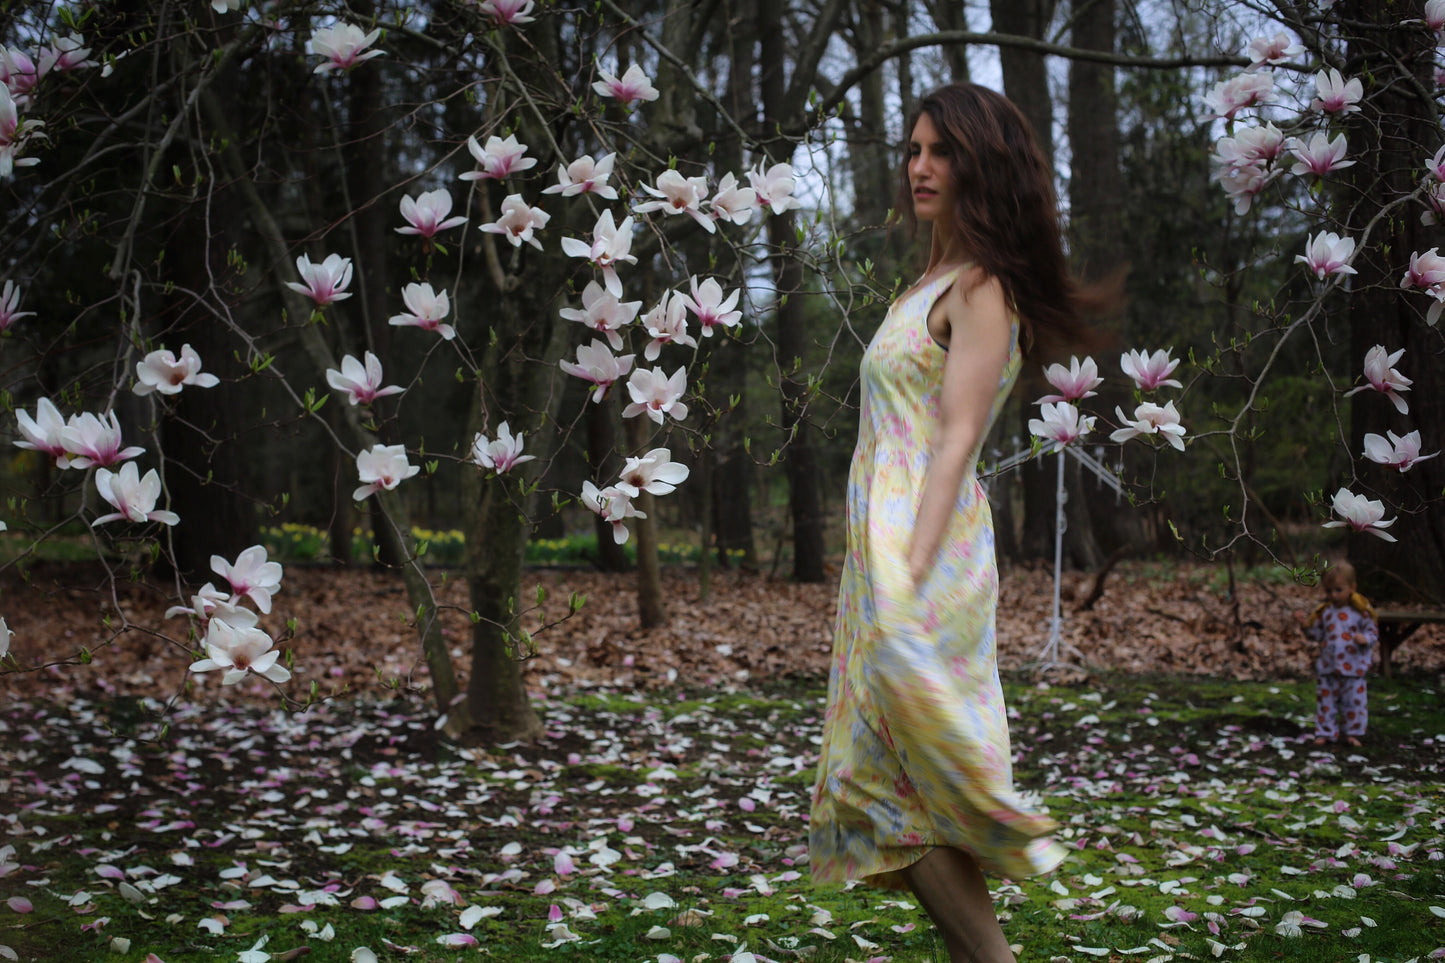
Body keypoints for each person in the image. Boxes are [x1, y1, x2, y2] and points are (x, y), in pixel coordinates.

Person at [808, 83, 1118, 963]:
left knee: (887, 781)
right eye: (912, 150)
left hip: (927, 549)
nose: (919, 166)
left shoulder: (980, 288)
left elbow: (954, 438)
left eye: (940, 151)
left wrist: (906, 569)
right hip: (886, 548)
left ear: (980, 165)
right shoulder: (924, 286)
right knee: (882, 780)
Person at [1293, 561, 1378, 748]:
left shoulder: (1361, 612)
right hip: (1328, 667)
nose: (1333, 595)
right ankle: (1326, 732)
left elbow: (1372, 633)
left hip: (1354, 668)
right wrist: (1304, 626)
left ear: (1352, 588)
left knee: (1354, 703)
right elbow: (1316, 635)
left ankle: (1353, 733)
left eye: (1339, 590)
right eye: (1329, 591)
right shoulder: (1325, 612)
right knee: (1326, 702)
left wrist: (1365, 639)